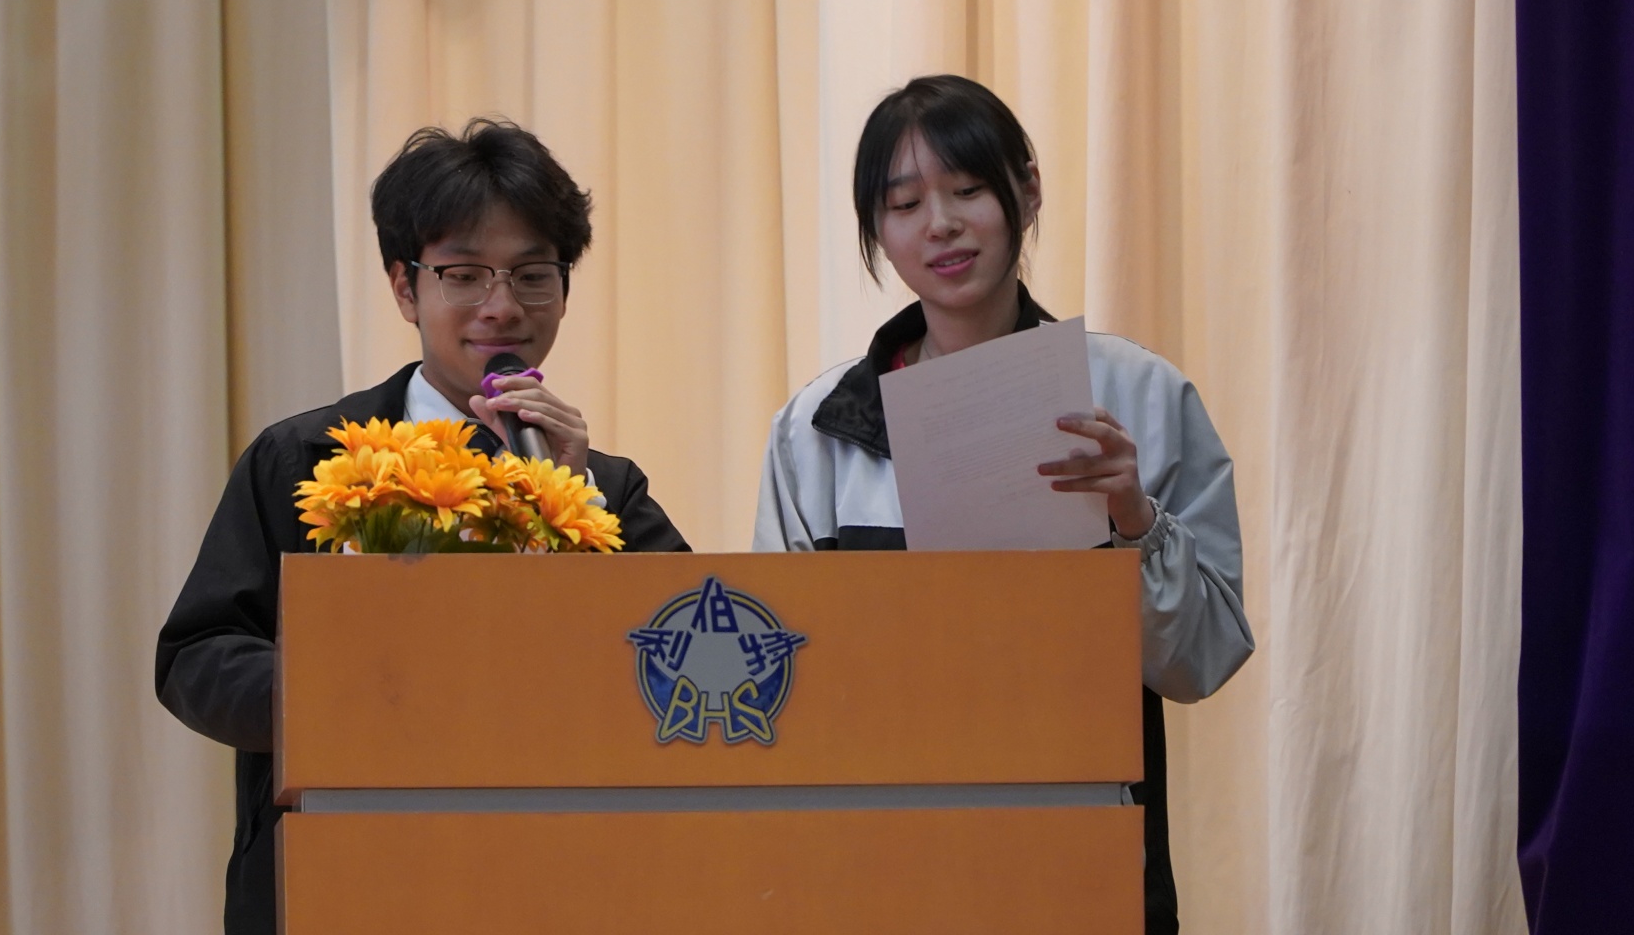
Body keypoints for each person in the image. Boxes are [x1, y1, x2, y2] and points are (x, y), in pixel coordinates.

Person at [158, 118, 689, 935]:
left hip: (550, 880)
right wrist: (353, 697)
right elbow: (197, 656)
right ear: (406, 288)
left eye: (532, 275)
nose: (502, 307)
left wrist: (572, 496)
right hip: (344, 872)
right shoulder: (305, 459)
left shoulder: (606, 487)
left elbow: (678, 660)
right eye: (464, 275)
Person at [752, 75, 1253, 935]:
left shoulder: (1136, 395)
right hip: (878, 868)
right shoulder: (818, 430)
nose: (939, 224)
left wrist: (1133, 521)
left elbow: (1201, 662)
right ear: (878, 230)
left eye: (968, 190)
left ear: (1027, 190)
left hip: (1081, 860)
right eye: (904, 204)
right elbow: (786, 677)